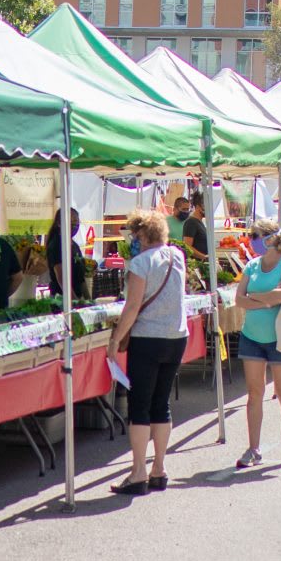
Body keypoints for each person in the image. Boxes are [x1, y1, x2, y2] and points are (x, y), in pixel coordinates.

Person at [109, 210, 190, 496]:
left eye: (134, 235)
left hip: (148, 338)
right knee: (161, 402)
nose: (132, 240)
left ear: (142, 235)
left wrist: (116, 339)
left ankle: (138, 472)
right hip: (176, 337)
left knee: (140, 405)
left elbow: (132, 308)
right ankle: (159, 468)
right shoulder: (177, 256)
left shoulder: (141, 263)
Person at [231, 222, 281, 469]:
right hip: (252, 336)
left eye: (255, 235)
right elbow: (238, 299)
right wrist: (267, 300)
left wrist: (257, 298)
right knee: (254, 395)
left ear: (271, 238)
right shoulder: (252, 265)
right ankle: (253, 448)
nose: (252, 239)